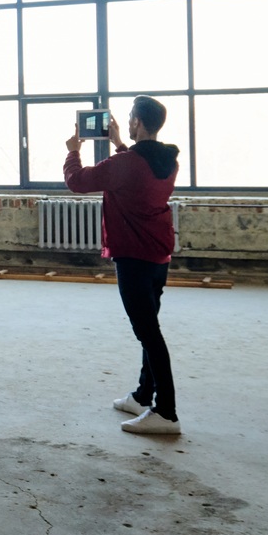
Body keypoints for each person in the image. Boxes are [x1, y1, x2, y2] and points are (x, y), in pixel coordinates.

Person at [65, 96, 183, 436]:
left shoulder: (128, 164)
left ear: (138, 124)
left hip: (133, 256)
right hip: (158, 254)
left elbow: (78, 181)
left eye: (130, 119)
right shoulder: (167, 161)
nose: (127, 123)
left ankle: (167, 412)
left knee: (148, 333)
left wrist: (73, 149)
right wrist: (118, 142)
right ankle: (144, 394)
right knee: (151, 326)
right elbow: (134, 171)